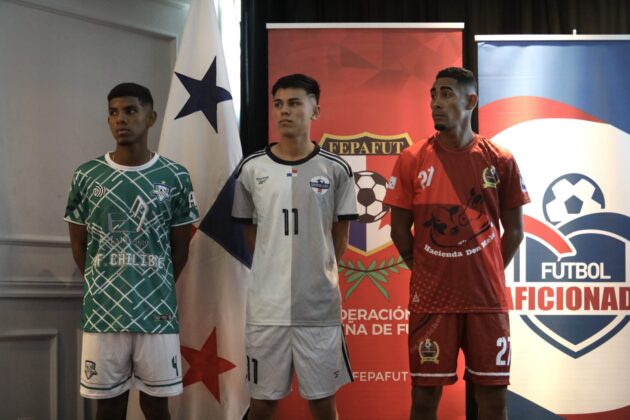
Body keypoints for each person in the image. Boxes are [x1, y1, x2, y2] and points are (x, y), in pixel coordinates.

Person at [384, 67, 530, 420]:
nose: (436, 102)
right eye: (433, 95)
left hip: (486, 302)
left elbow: (514, 231)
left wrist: (488, 270)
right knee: (424, 399)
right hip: (432, 301)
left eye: (446, 94)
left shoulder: (500, 159)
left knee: (493, 401)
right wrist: (426, 269)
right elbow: (399, 231)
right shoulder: (412, 159)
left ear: (471, 101)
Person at [64, 82, 199, 420]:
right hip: (103, 313)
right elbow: (80, 247)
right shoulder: (87, 175)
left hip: (157, 313)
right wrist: (104, 282)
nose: (120, 119)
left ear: (151, 117)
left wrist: (154, 286)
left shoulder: (175, 176)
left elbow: (180, 249)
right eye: (113, 112)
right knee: (108, 407)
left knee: (156, 407)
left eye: (130, 111)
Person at [232, 74, 357, 420]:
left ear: (315, 110)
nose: (284, 111)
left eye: (294, 103)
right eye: (278, 104)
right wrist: (274, 267)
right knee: (261, 406)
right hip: (266, 310)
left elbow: (340, 237)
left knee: (322, 405)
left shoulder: (336, 169)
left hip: (318, 310)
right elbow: (252, 236)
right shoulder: (251, 168)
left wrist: (315, 273)